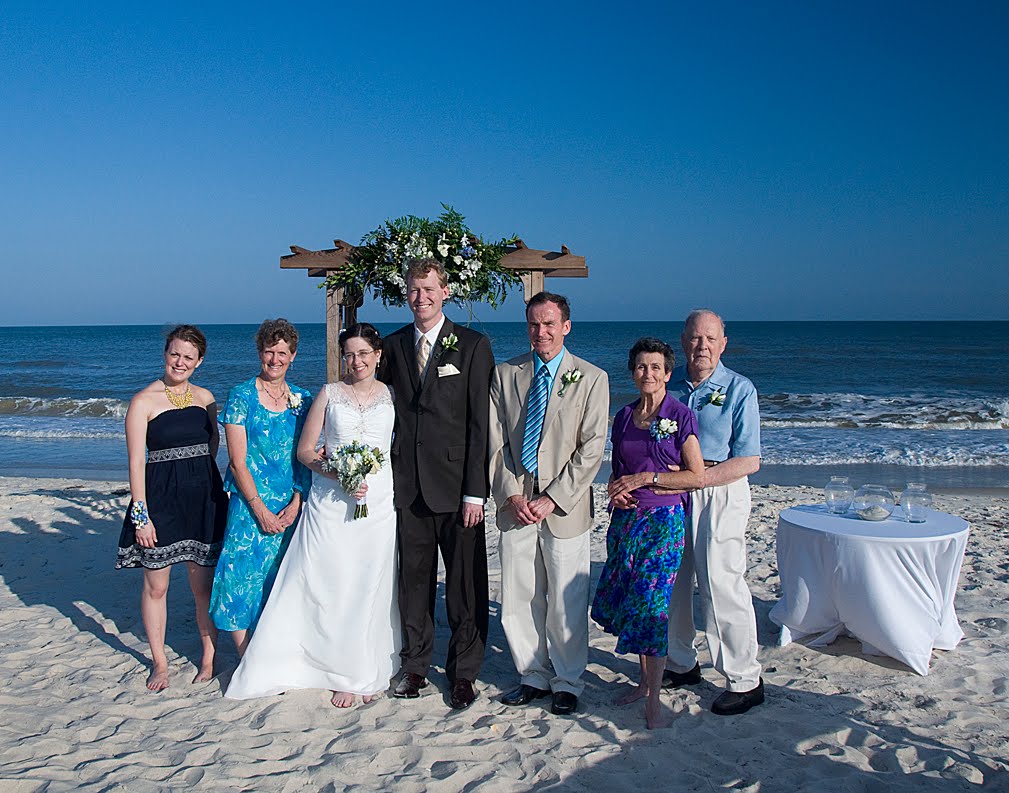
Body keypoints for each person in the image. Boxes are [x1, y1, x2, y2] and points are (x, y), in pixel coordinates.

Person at [226, 323, 400, 706]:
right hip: (330, 501)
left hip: (379, 501)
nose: (356, 361)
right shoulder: (328, 394)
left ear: (378, 356)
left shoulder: (391, 395)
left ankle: (359, 667)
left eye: (363, 354)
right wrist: (338, 473)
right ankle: (326, 664)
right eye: (349, 354)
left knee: (368, 582)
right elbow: (306, 451)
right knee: (330, 579)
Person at [378, 258, 494, 711]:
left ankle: (464, 673)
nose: (421, 297)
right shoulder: (391, 347)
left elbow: (480, 425)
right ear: (405, 293)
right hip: (407, 487)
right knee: (414, 582)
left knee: (466, 584)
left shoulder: (471, 345)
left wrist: (474, 491)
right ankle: (416, 666)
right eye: (413, 289)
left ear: (445, 292)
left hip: (458, 488)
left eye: (429, 289)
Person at [488, 292, 609, 716]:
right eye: (534, 325)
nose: (542, 332)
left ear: (566, 326)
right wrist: (513, 493)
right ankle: (532, 674)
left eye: (549, 324)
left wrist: (552, 497)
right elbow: (495, 441)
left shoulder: (592, 378)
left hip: (563, 507)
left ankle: (568, 680)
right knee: (520, 593)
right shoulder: (505, 373)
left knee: (564, 596)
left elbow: (592, 448)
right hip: (515, 504)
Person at [591, 337, 704, 729]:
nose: (648, 373)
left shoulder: (680, 415)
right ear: (633, 372)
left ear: (668, 373)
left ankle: (655, 698)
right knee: (632, 603)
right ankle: (642, 683)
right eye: (641, 366)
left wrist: (650, 477)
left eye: (656, 367)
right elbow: (616, 474)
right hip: (626, 523)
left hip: (664, 523)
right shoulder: (622, 417)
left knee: (652, 606)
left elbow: (697, 476)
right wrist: (615, 493)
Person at [115, 324, 228, 691]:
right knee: (157, 587)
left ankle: (209, 657)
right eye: (175, 354)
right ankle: (160, 663)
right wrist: (141, 517)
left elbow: (213, 446)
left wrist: (200, 482)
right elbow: (135, 464)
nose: (180, 362)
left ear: (200, 361)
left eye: (188, 357)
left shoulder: (206, 397)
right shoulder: (143, 401)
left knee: (202, 587)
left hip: (201, 499)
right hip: (159, 500)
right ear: (166, 354)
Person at [663, 309, 765, 715]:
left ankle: (745, 678)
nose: (702, 346)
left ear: (723, 343)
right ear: (683, 341)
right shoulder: (670, 389)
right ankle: (681, 663)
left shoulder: (740, 389)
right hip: (674, 495)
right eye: (694, 338)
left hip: (720, 493)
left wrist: (699, 478)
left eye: (710, 339)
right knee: (674, 581)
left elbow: (749, 460)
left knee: (721, 584)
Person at [209, 319, 312, 656]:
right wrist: (259, 509)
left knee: (280, 576)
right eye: (269, 351)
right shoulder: (241, 396)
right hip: (250, 504)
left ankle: (273, 648)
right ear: (259, 352)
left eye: (282, 352)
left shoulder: (303, 399)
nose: (275, 359)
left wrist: (298, 499)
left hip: (289, 503)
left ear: (293, 355)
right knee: (240, 575)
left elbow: (304, 454)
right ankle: (246, 654)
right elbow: (238, 462)